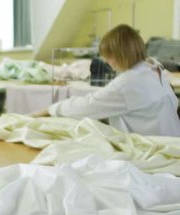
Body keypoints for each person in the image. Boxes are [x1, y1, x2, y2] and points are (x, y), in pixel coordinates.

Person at [33, 24, 180, 137]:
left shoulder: (129, 82)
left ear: (121, 54)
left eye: (109, 56)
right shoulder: (153, 67)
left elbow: (87, 106)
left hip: (156, 144)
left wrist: (51, 109)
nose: (106, 61)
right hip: (172, 137)